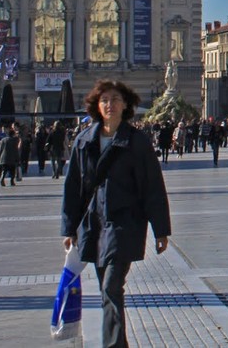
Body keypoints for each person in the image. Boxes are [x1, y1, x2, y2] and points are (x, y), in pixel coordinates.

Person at [61, 80, 171, 348]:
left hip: (124, 223)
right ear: (97, 106)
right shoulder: (84, 140)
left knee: (111, 286)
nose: (110, 105)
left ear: (126, 105)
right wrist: (69, 227)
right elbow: (73, 186)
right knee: (105, 291)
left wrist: (161, 229)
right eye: (105, 100)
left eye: (115, 100)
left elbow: (152, 186)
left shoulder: (137, 142)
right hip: (93, 224)